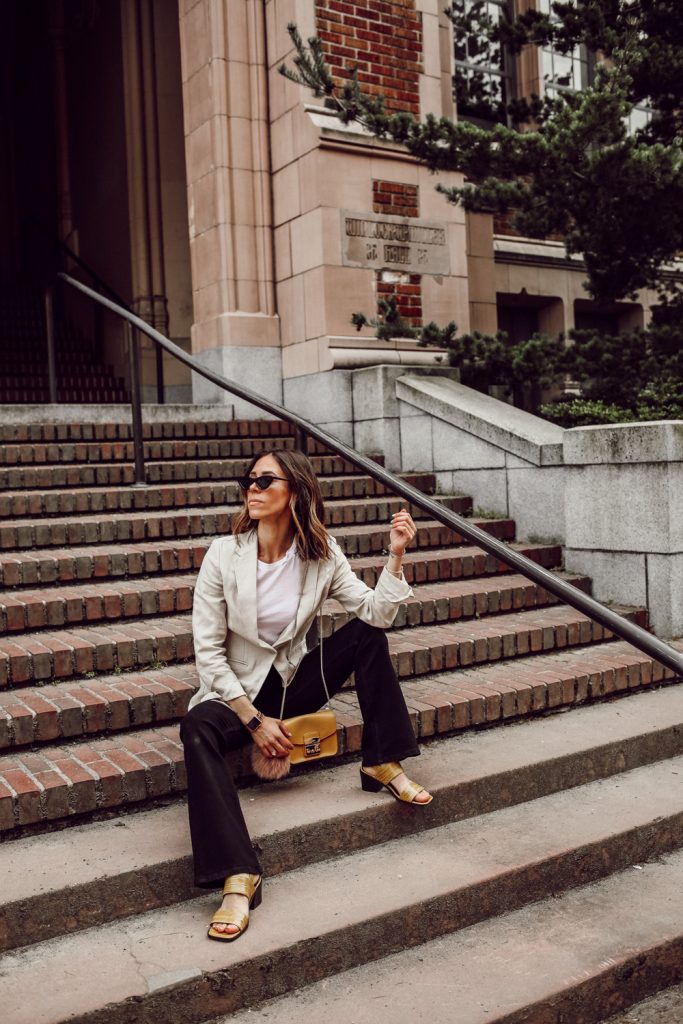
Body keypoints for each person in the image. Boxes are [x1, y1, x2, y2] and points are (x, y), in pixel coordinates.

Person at [180, 447, 432, 943]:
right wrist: (253, 721)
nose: (252, 488)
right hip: (238, 693)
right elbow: (208, 654)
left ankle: (382, 760)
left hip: (293, 683)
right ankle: (238, 876)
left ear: (295, 490)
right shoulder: (223, 555)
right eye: (248, 480)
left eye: (265, 481)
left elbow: (375, 613)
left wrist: (396, 555)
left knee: (368, 637)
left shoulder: (322, 554)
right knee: (196, 729)